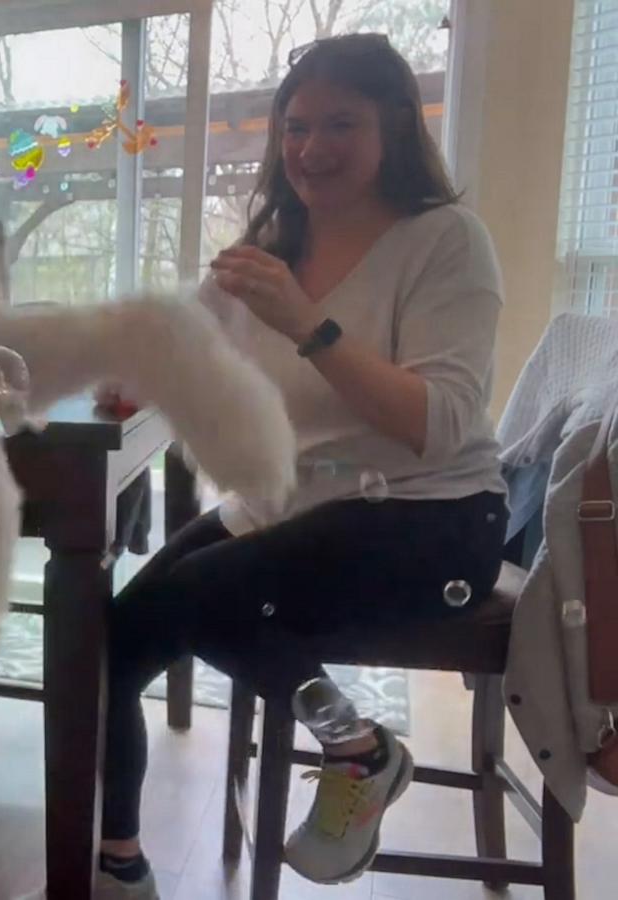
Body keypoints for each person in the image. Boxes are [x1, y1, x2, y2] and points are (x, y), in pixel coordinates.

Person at [91, 34, 508, 898]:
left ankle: (357, 750)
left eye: (340, 125)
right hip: (292, 505)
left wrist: (309, 324)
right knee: (112, 648)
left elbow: (436, 426)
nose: (312, 149)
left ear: (396, 125)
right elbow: (187, 344)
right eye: (297, 127)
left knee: (199, 600)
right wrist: (136, 378)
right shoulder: (272, 246)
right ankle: (121, 865)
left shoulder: (448, 242)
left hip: (431, 517)